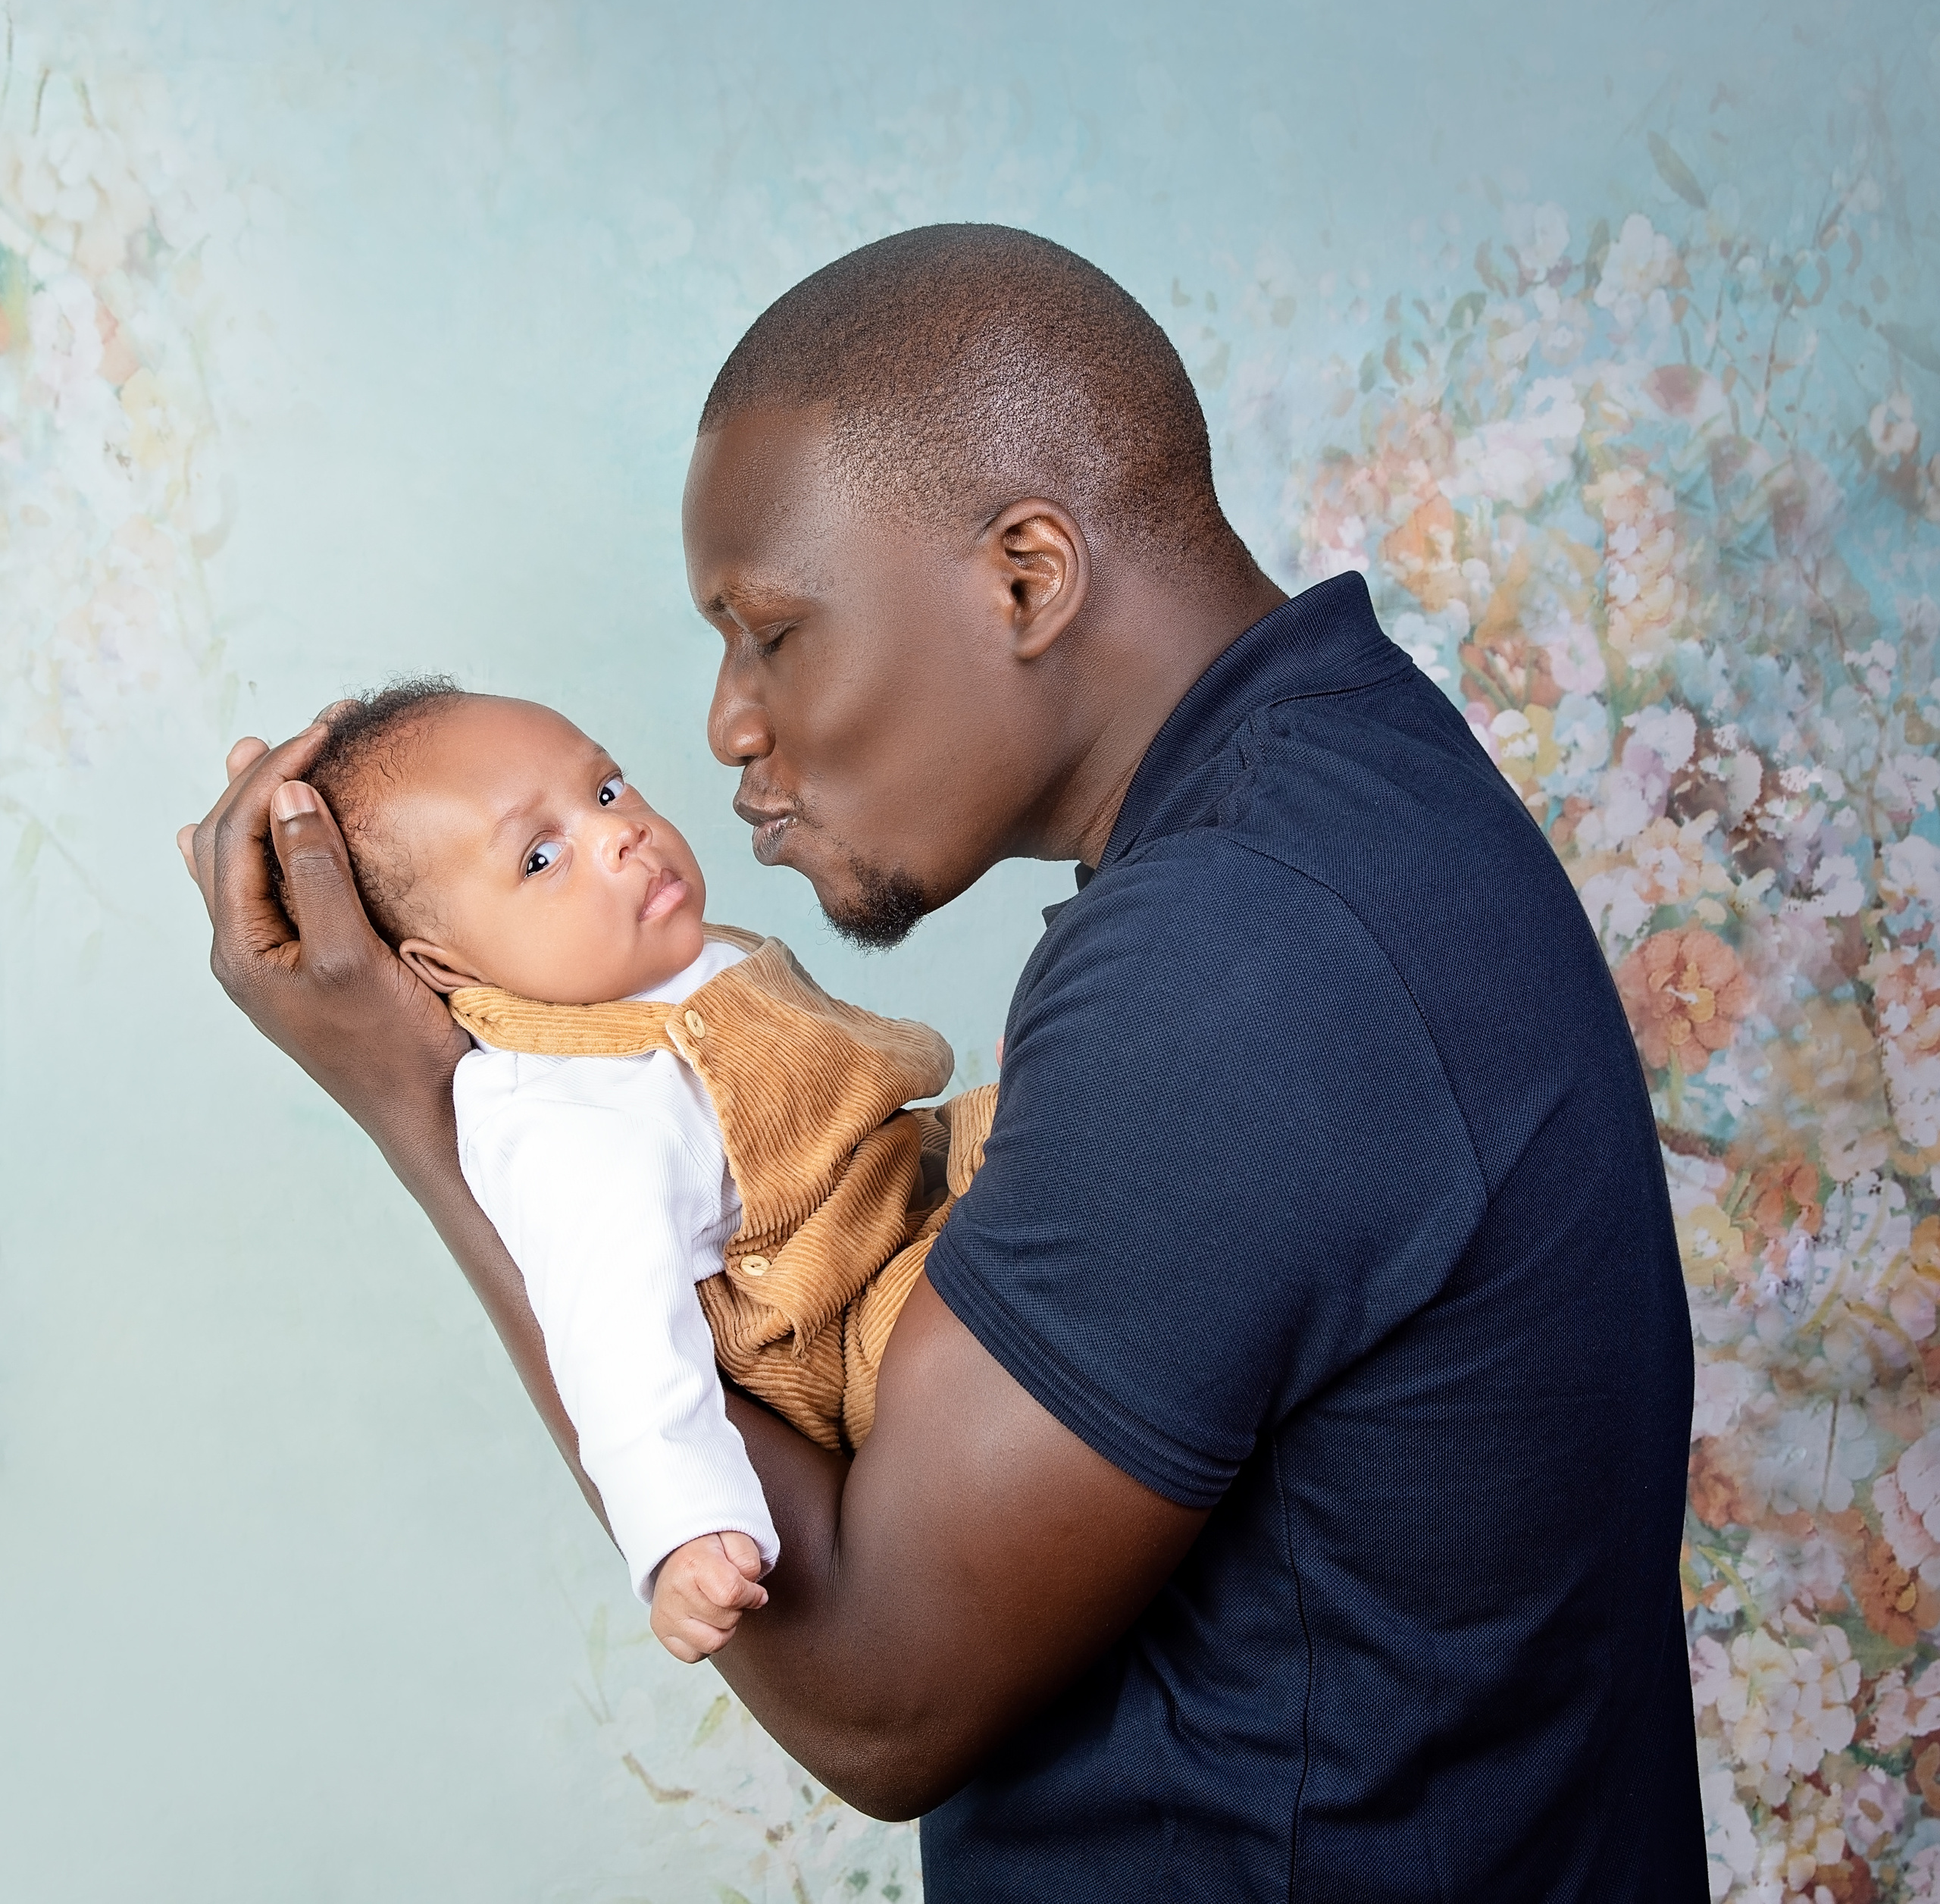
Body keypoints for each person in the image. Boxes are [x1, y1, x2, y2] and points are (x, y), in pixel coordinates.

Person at [180, 224, 1705, 1900]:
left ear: (1025, 579)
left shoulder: (1231, 958)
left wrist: (430, 1096)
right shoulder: (1342, 784)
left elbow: (882, 1696)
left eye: (769, 630)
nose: (723, 725)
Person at [296, 678, 997, 1664]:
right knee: (1050, 1231)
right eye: (541, 858)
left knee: (1067, 1087)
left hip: (905, 1180)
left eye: (609, 790)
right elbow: (612, 1340)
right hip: (852, 1321)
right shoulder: (569, 1116)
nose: (619, 836)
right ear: (445, 965)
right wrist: (681, 1531)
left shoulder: (653, 966)